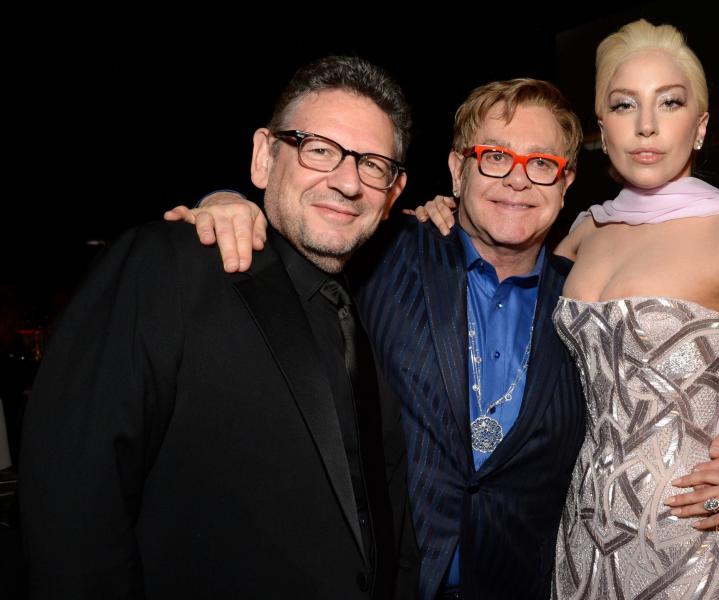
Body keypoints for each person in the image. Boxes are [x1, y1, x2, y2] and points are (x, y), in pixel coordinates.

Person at [165, 78, 719, 600]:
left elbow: (652, 402)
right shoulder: (385, 252)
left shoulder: (591, 306)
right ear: (457, 168)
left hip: (525, 584)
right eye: (495, 156)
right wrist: (227, 204)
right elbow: (304, 229)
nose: (517, 181)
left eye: (542, 164)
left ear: (566, 180)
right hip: (380, 580)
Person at [415, 19, 719, 599]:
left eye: (669, 103)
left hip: (691, 543)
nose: (646, 126)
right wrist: (439, 218)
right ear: (603, 127)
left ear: (700, 127)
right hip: (580, 541)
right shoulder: (584, 233)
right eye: (625, 105)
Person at [18, 55, 419, 599]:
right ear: (262, 157)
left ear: (392, 193)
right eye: (319, 149)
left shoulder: (364, 318)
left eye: (372, 164)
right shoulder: (167, 266)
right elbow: (71, 506)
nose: (347, 181)